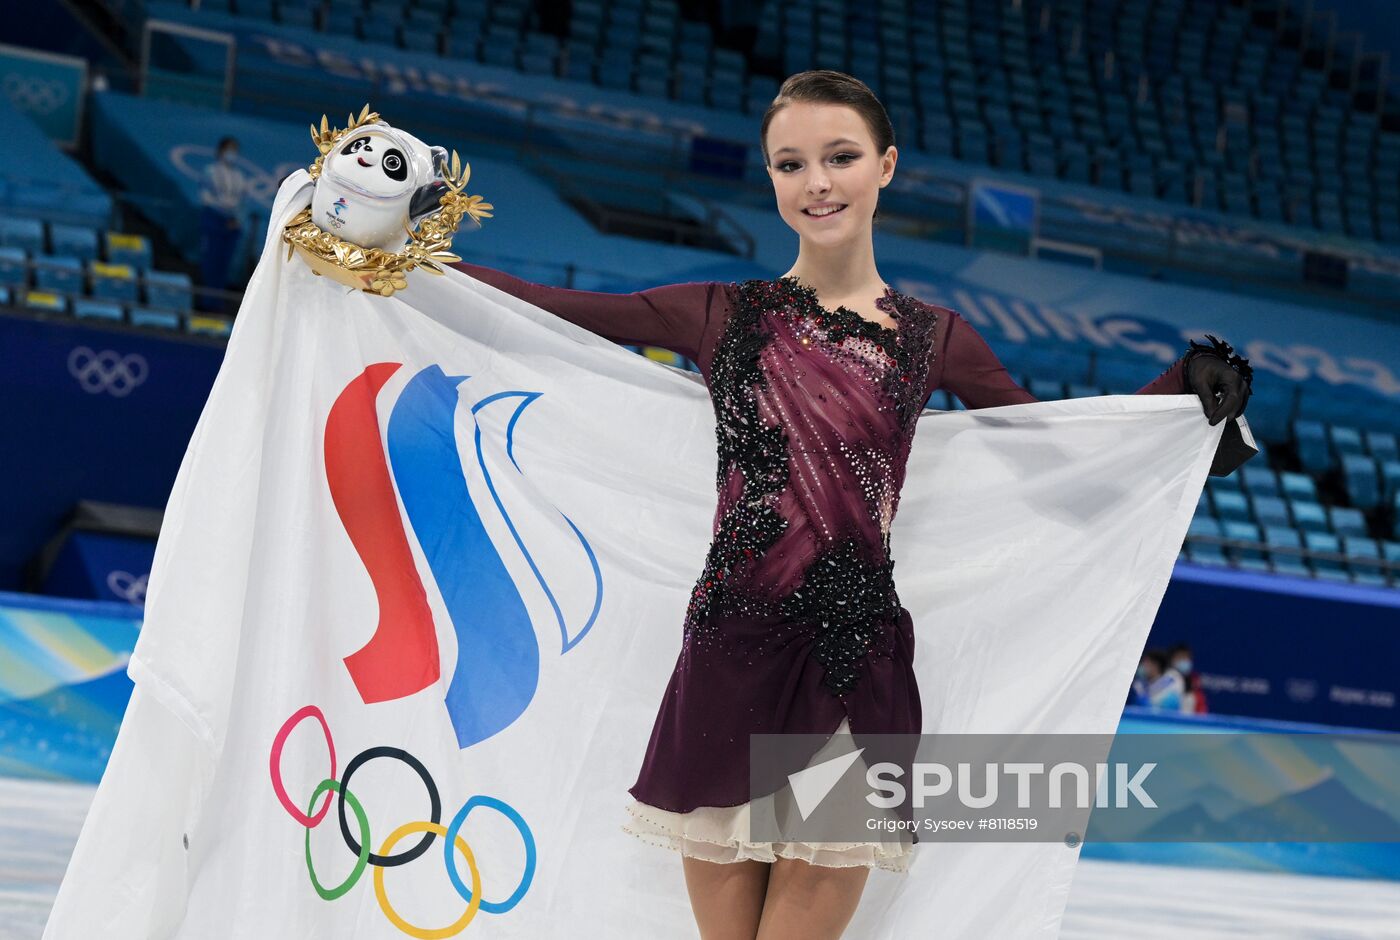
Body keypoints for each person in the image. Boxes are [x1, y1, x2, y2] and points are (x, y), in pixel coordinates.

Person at [451, 69, 1252, 939]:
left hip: (853, 662)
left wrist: (1177, 407)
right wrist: (399, 259)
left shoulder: (935, 338)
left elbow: (1056, 449)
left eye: (840, 157)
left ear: (886, 165)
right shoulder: (720, 312)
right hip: (731, 651)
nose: (817, 182)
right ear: (770, 179)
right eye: (790, 164)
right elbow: (554, 310)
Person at [197, 135, 249, 312]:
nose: (231, 153)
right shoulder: (209, 171)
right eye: (229, 149)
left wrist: (236, 219)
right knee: (211, 261)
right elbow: (206, 198)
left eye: (235, 150)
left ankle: (217, 302)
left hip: (232, 223)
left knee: (224, 264)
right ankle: (206, 303)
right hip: (214, 219)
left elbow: (242, 202)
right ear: (220, 151)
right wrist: (224, 213)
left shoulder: (239, 176)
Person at [1170, 641, 1208, 714]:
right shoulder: (1165, 678)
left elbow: (1201, 709)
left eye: (1187, 657)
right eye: (1180, 657)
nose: (1184, 660)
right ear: (1172, 660)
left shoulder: (1195, 681)